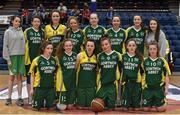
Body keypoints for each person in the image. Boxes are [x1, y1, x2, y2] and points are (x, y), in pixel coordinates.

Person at [142, 41, 171, 112]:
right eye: (150, 49)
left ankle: (161, 101)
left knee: (161, 109)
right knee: (145, 109)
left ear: (157, 50)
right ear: (148, 50)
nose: (152, 51)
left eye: (154, 49)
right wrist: (142, 87)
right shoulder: (144, 61)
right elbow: (141, 75)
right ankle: (151, 102)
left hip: (158, 88)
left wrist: (166, 89)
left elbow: (166, 76)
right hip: (148, 89)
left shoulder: (162, 61)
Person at [3, 16, 26, 106]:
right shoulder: (7, 32)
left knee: (19, 78)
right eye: (16, 21)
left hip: (21, 57)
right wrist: (8, 59)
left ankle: (19, 98)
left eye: (19, 21)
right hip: (12, 57)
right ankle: (9, 98)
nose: (18, 23)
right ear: (12, 21)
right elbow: (5, 46)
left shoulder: (21, 31)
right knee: (11, 78)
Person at [29, 41, 58, 110]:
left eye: (51, 48)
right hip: (39, 88)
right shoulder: (37, 60)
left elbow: (56, 74)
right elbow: (32, 75)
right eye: (48, 48)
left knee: (51, 108)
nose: (50, 50)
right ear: (43, 49)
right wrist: (31, 89)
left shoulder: (54, 60)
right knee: (36, 109)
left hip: (50, 88)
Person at [96, 36, 121, 110]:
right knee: (98, 105)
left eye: (106, 44)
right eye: (103, 45)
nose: (104, 46)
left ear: (110, 44)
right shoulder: (99, 56)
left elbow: (120, 70)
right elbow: (98, 70)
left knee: (111, 108)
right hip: (102, 84)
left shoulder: (118, 55)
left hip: (112, 84)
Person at [24, 15, 44, 104]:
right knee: (29, 78)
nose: (36, 23)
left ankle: (39, 96)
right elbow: (23, 44)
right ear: (32, 22)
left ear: (40, 23)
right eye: (35, 21)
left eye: (38, 21)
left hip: (40, 60)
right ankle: (30, 97)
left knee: (39, 78)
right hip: (29, 59)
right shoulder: (27, 31)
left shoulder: (42, 32)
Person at [121, 38, 143, 111]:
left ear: (136, 46)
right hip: (126, 83)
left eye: (133, 45)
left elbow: (144, 71)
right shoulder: (123, 57)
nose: (131, 47)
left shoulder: (140, 57)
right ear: (126, 47)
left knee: (136, 108)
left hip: (136, 83)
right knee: (125, 108)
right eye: (129, 45)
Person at [76, 39, 97, 109]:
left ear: (94, 47)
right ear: (85, 46)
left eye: (91, 46)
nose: (89, 47)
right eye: (88, 45)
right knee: (80, 107)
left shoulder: (97, 57)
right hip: (80, 85)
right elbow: (75, 69)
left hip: (91, 86)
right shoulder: (79, 55)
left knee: (89, 106)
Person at [56, 39, 77, 110]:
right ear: (63, 47)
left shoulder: (75, 55)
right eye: (66, 46)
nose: (68, 47)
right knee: (63, 107)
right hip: (64, 81)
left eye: (70, 45)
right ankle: (57, 100)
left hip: (73, 81)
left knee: (70, 107)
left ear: (72, 46)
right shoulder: (59, 56)